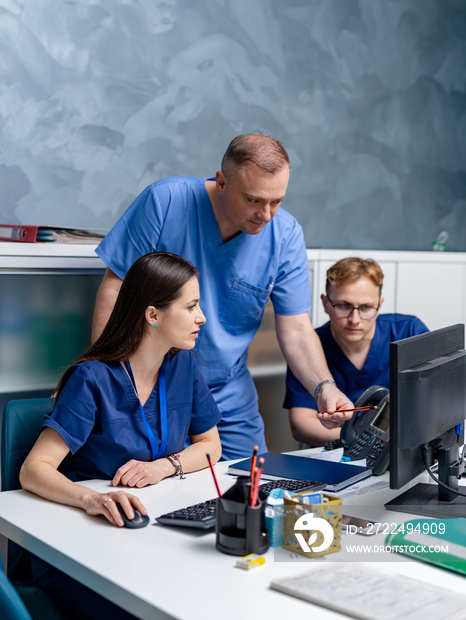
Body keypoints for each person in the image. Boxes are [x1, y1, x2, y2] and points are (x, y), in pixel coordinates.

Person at [91, 133, 353, 459]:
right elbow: (117, 288)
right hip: (151, 384)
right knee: (154, 487)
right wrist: (107, 378)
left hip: (226, 392)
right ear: (222, 182)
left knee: (251, 487)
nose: (266, 214)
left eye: (277, 201)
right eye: (254, 200)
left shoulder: (285, 235)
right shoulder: (164, 202)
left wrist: (323, 388)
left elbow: (297, 328)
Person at [20, 251, 221, 619]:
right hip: (82, 542)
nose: (202, 317)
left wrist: (163, 467)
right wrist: (92, 500)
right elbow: (34, 469)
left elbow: (211, 447)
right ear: (153, 315)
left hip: (150, 533)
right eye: (191, 306)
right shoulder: (92, 378)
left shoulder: (183, 365)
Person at [284, 257, 429, 446]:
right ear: (325, 303)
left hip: (401, 449)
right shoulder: (308, 347)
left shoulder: (408, 332)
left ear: (379, 305)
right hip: (337, 453)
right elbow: (302, 424)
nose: (355, 319)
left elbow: (435, 399)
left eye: (366, 307)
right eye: (343, 306)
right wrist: (362, 441)